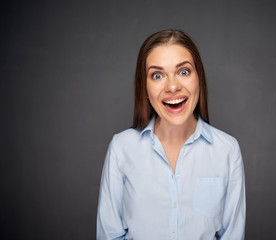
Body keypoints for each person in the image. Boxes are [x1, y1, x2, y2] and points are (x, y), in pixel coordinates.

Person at [97, 29, 246, 240]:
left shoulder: (227, 151)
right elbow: (109, 235)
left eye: (183, 72)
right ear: (145, 88)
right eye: (157, 75)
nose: (173, 86)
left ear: (198, 79)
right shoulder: (121, 148)